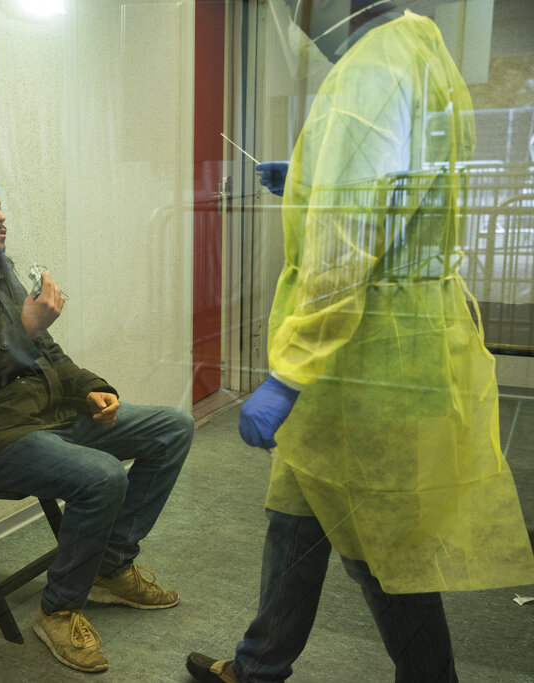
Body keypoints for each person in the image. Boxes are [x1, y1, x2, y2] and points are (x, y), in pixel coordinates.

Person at [186, 2, 534, 682]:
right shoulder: (423, 49)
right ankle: (258, 666)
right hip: (391, 342)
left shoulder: (367, 71)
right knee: (296, 518)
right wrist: (308, 182)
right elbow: (396, 187)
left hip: (360, 359)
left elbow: (345, 248)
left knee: (379, 545)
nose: (297, 15)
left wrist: (289, 373)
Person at [0, 172, 195, 673]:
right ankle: (58, 609)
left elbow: (49, 352)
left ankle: (109, 566)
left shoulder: (1, 274)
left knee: (173, 427)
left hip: (45, 416)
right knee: (102, 475)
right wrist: (22, 332)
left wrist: (94, 389)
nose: (0, 216)